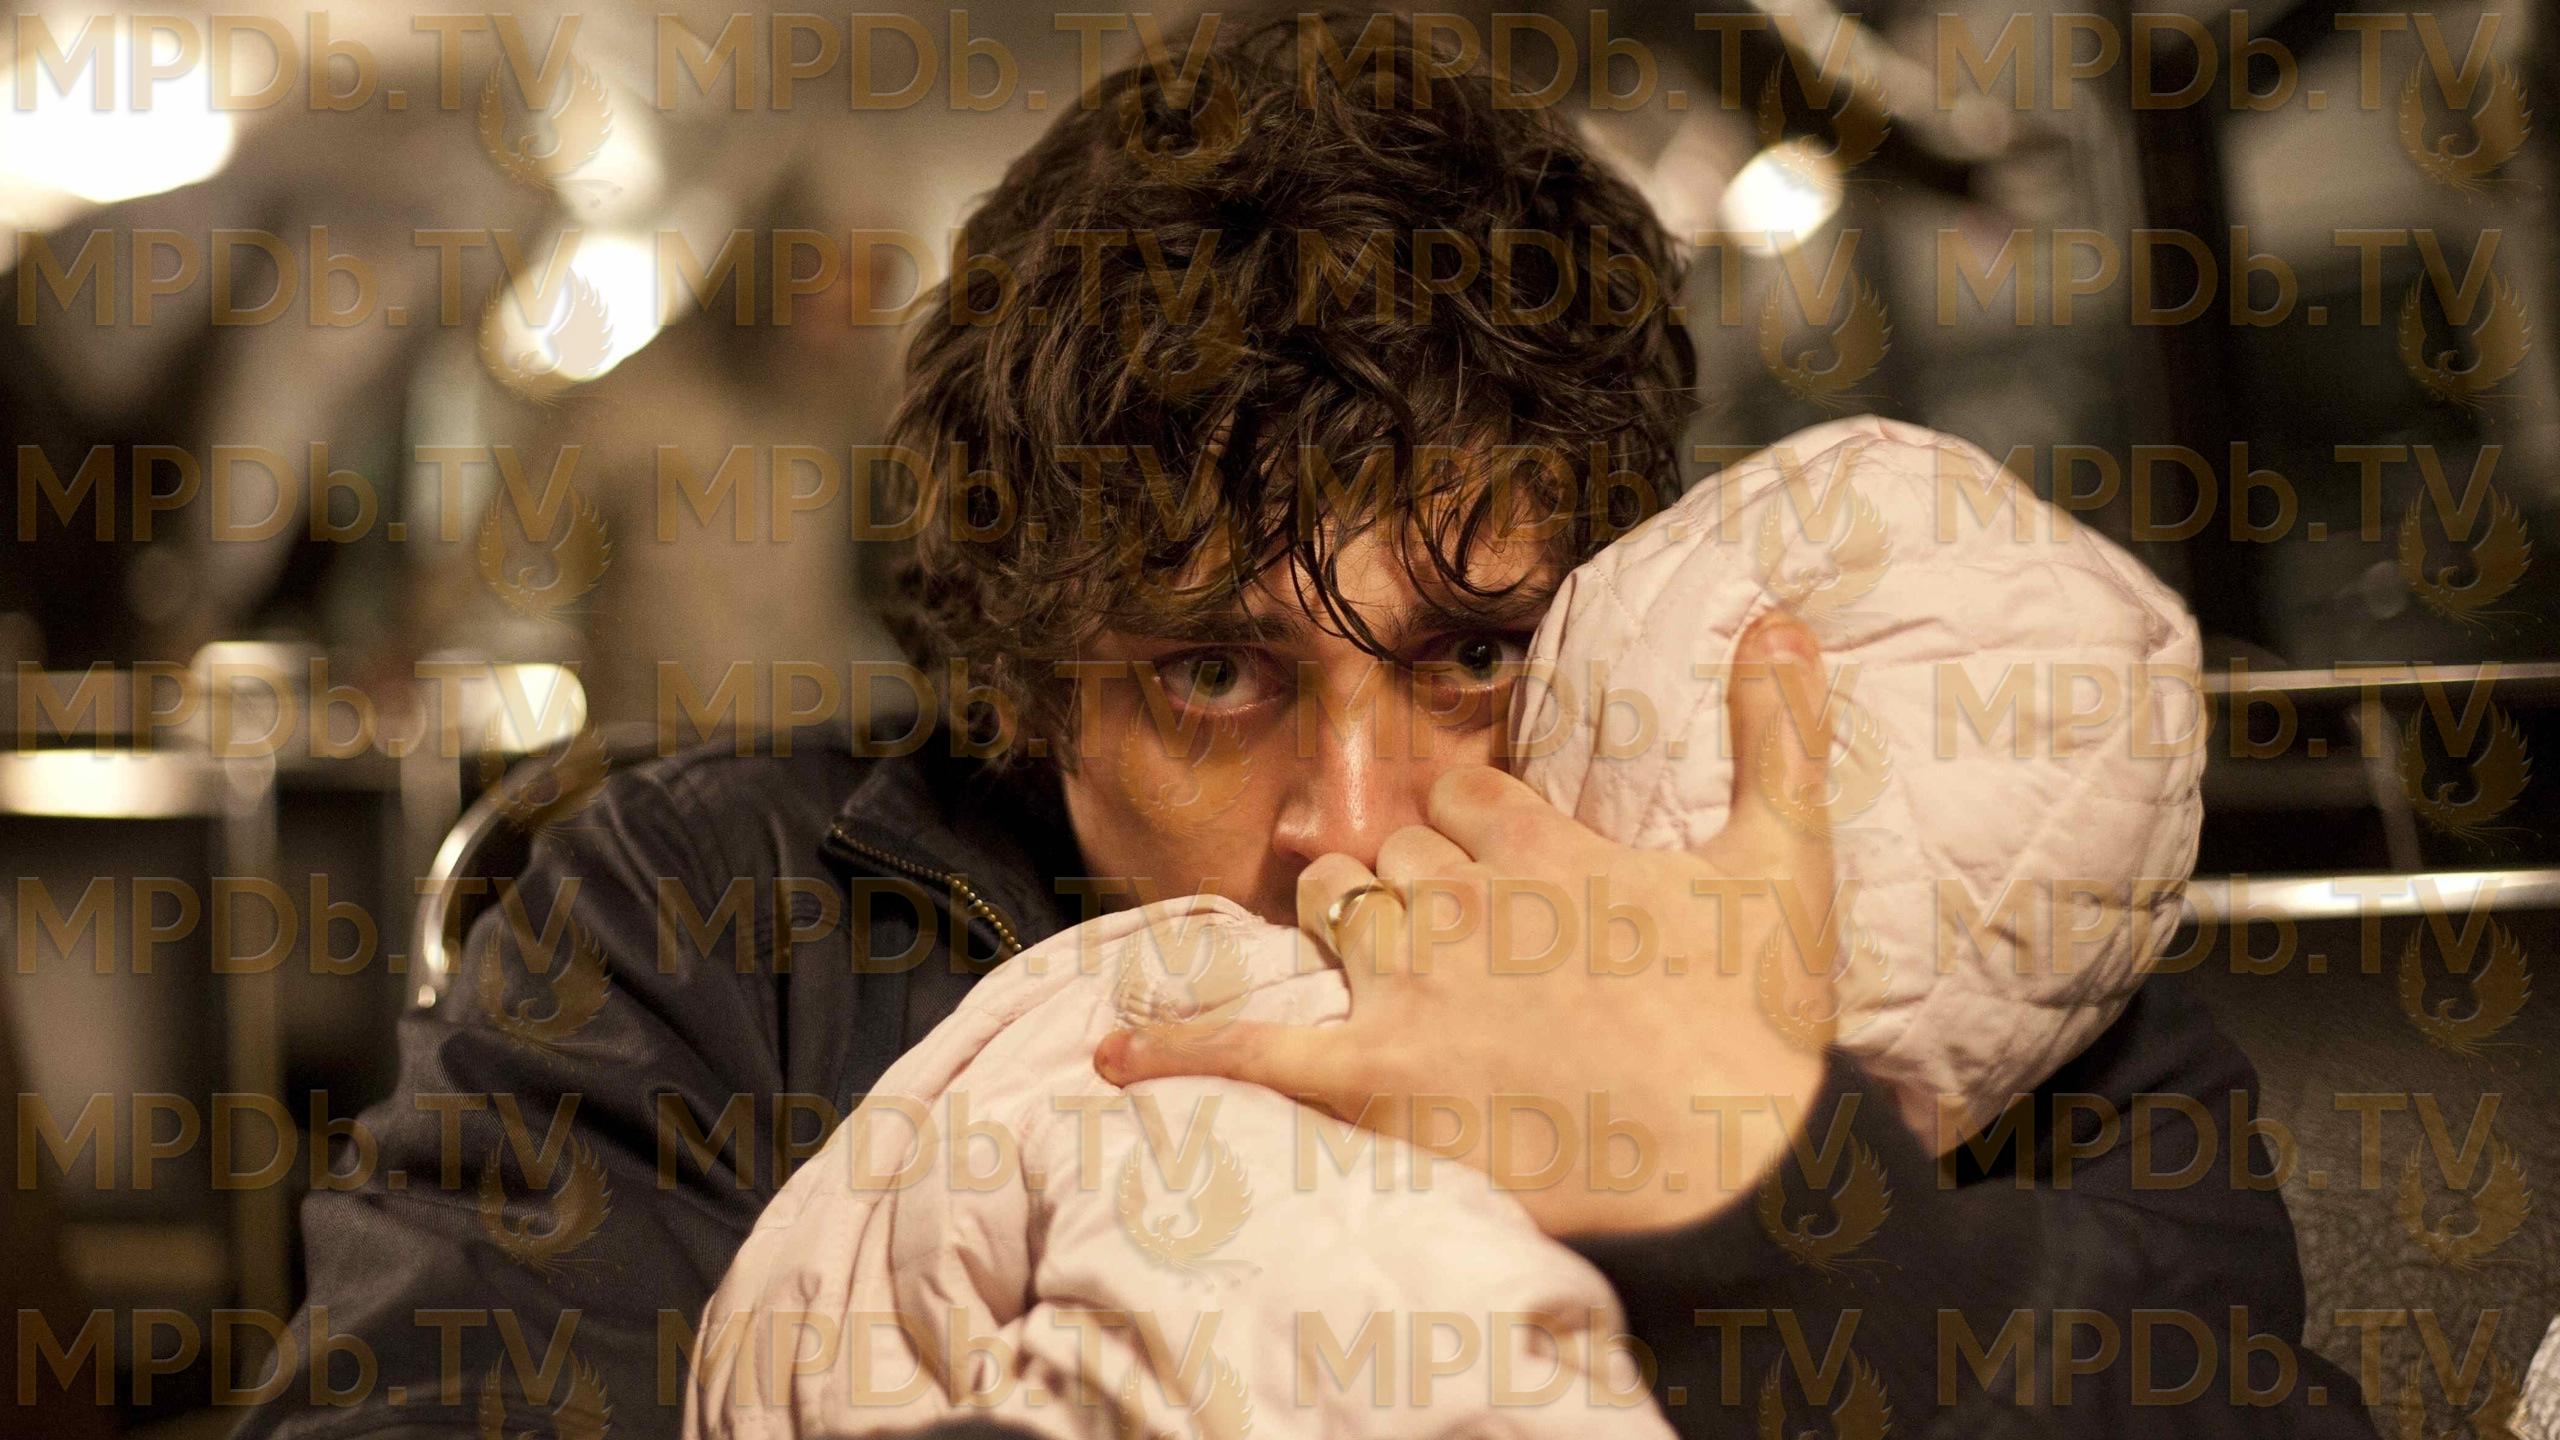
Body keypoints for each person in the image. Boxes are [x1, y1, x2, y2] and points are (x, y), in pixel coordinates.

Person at [241, 12, 2378, 1439]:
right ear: (1025, 676)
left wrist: (1754, 1181)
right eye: (1211, 673)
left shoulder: (1903, 900)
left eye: (1474, 657)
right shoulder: (711, 919)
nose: (1349, 827)